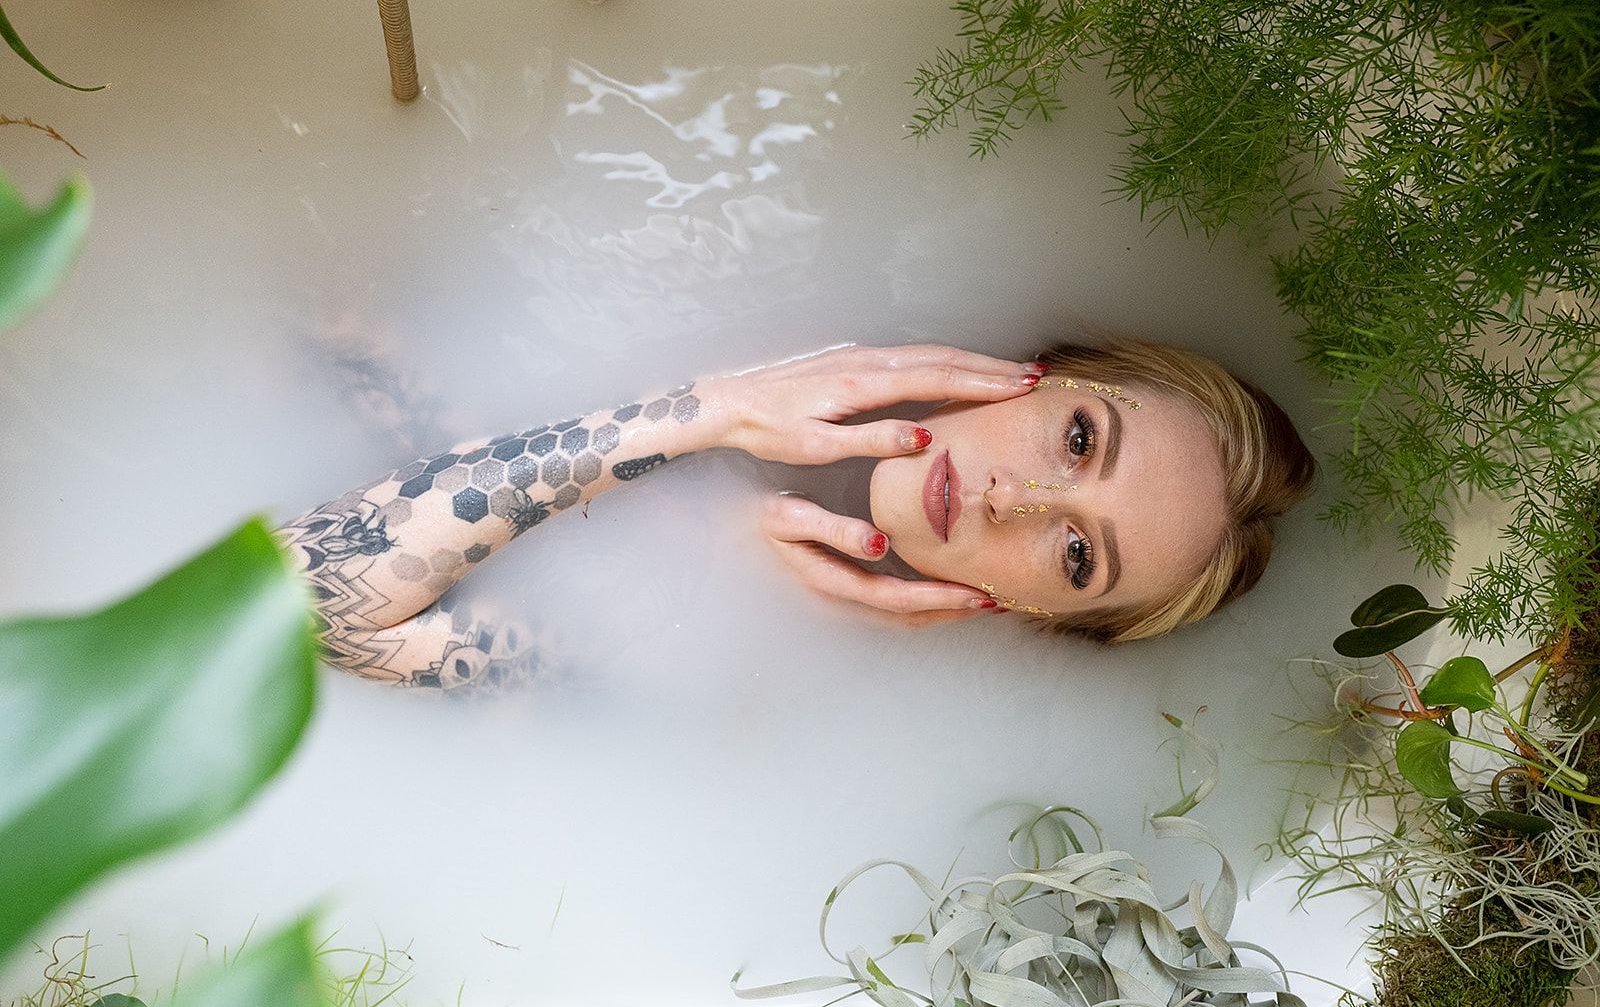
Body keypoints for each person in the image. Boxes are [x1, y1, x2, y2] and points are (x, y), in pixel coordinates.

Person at [276, 341, 1316, 690]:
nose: (1015, 496)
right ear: (1037, 377)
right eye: (1080, 438)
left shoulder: (726, 658)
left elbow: (302, 605)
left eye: (1078, 552)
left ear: (1025, 610)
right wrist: (729, 395)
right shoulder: (779, 308)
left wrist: (706, 418)